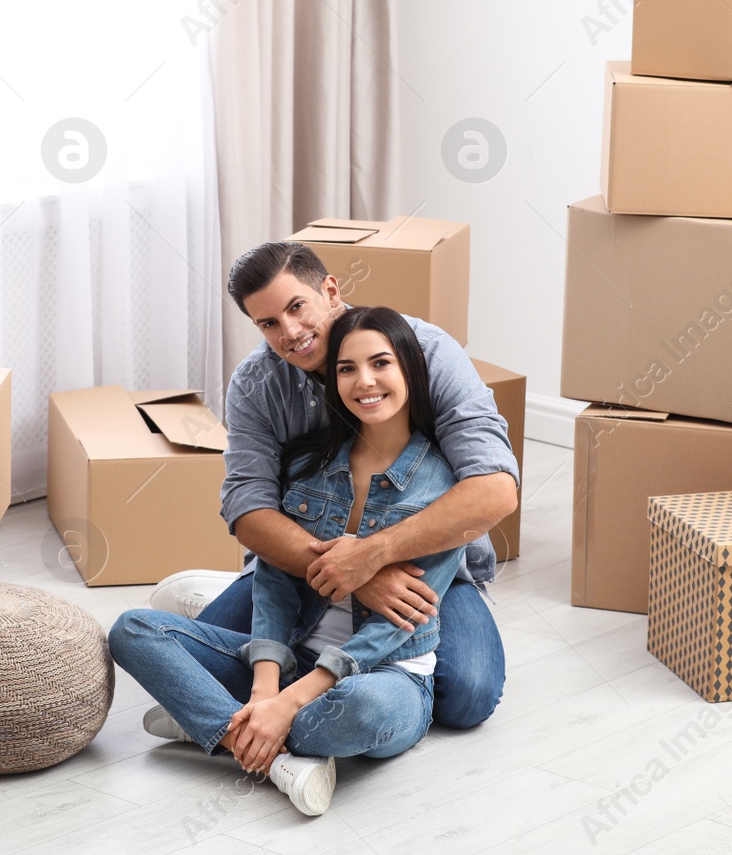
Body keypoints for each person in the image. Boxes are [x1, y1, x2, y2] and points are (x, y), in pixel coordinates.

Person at [109, 307, 472, 815]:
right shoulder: (309, 463)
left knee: (363, 710)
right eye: (346, 369)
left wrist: (289, 702)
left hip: (386, 674)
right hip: (294, 655)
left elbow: (399, 624)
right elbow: (278, 577)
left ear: (409, 368)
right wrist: (266, 687)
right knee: (132, 629)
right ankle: (278, 758)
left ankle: (214, 723)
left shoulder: (445, 485)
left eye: (381, 363)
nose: (364, 381)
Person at [157, 242, 516, 728]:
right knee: (192, 658)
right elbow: (248, 509)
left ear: (329, 290)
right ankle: (272, 652)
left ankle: (313, 692)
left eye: (296, 307)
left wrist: (372, 557)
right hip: (295, 565)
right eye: (268, 324)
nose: (290, 333)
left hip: (427, 567)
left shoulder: (422, 350)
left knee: (465, 700)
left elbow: (495, 488)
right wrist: (353, 574)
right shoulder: (256, 383)